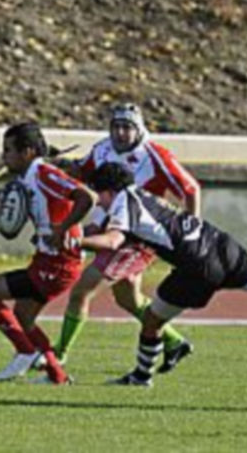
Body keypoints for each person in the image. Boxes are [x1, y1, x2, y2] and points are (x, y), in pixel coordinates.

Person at [81, 162, 247, 387]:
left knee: (152, 320)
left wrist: (74, 241)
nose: (99, 203)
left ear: (109, 190)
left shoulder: (122, 203)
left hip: (197, 266)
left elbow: (113, 240)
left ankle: (141, 377)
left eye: (99, 195)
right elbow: (118, 228)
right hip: (222, 245)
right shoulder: (143, 196)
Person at [52, 103, 197, 372]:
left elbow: (191, 189)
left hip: (136, 237)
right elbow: (82, 170)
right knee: (128, 299)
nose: (120, 133)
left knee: (81, 292)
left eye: (127, 127)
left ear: (139, 129)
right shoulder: (103, 148)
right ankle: (175, 342)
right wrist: (52, 161)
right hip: (113, 229)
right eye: (116, 126)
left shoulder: (156, 156)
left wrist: (190, 236)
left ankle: (58, 355)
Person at [0, 121, 93, 385]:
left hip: (59, 263)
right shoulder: (24, 180)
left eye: (8, 150)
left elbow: (86, 197)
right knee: (23, 317)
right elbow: (10, 232)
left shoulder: (44, 174)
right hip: (47, 260)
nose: (4, 156)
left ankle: (26, 352)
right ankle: (57, 375)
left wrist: (63, 227)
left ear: (27, 152)